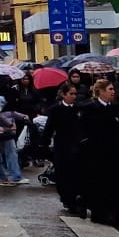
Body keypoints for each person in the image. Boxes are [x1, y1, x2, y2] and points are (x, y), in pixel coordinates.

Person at [78, 78, 119, 228]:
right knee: (101, 184)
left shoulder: (115, 108)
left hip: (116, 153)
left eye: (113, 89)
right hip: (99, 154)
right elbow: (84, 130)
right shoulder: (91, 108)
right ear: (101, 92)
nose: (113, 92)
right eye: (110, 89)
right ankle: (100, 213)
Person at [42, 81, 87, 214]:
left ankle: (78, 198)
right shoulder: (55, 109)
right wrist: (44, 143)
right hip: (62, 145)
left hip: (77, 145)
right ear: (63, 95)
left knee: (77, 173)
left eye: (75, 94)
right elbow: (49, 127)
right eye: (71, 94)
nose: (74, 96)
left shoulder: (79, 109)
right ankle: (67, 199)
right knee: (63, 173)